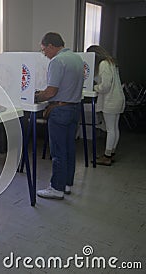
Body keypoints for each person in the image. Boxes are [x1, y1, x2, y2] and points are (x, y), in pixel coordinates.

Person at [34, 32, 84, 199]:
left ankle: (56, 188)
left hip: (60, 111)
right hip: (74, 108)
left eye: (43, 50)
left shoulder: (57, 61)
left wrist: (34, 96)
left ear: (50, 46)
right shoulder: (77, 58)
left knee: (58, 151)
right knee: (69, 148)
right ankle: (67, 184)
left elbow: (51, 92)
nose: (44, 54)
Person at [86, 45, 125, 166]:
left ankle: (107, 157)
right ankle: (111, 153)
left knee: (110, 129)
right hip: (117, 98)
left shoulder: (103, 64)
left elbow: (105, 86)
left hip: (111, 100)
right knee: (114, 128)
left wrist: (94, 87)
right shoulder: (111, 62)